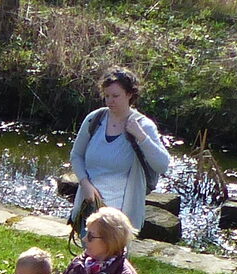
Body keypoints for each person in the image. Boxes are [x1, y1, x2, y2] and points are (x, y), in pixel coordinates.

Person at [69, 67, 170, 231]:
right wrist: (85, 183)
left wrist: (141, 137)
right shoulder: (94, 119)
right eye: (107, 96)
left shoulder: (143, 126)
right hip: (89, 208)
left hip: (121, 217)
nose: (110, 101)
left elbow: (162, 165)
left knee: (114, 257)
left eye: (115, 96)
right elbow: (76, 155)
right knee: (89, 255)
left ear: (130, 94)